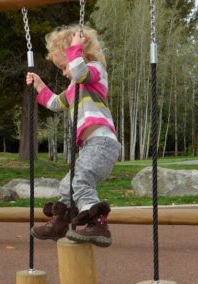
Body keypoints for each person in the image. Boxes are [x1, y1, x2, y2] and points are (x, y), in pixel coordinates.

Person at [26, 25, 121, 247]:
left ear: (77, 53)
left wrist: (74, 50)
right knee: (67, 184)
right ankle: (61, 221)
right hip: (90, 146)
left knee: (80, 180)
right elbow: (54, 103)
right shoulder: (73, 88)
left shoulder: (96, 72)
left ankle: (97, 223)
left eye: (63, 66)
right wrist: (39, 85)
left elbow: (79, 72)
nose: (63, 72)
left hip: (103, 143)